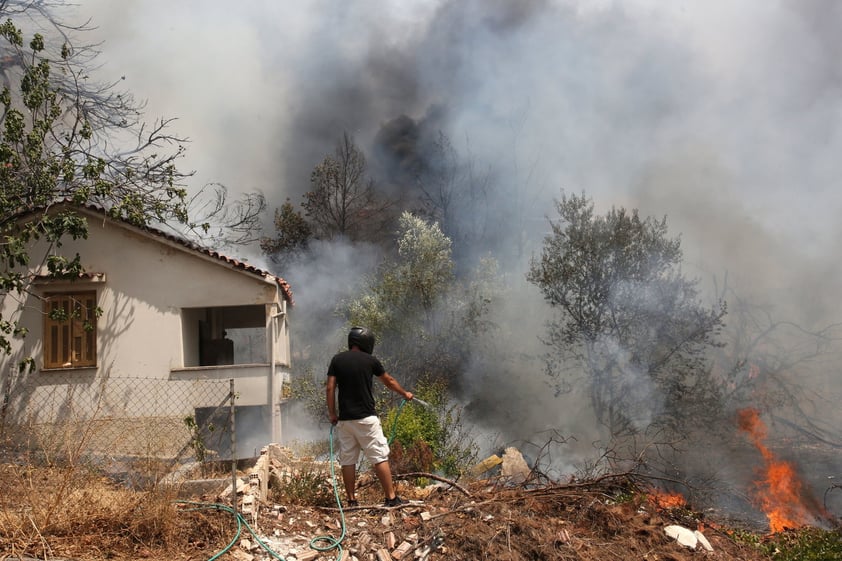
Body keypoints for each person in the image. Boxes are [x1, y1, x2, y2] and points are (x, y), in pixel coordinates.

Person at [326, 326, 413, 507]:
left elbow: (330, 387)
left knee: (348, 460)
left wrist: (333, 413)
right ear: (366, 343)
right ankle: (391, 498)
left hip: (345, 421)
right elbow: (388, 381)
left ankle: (351, 501)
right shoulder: (370, 360)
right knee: (379, 456)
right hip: (366, 419)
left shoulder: (337, 360)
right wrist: (405, 394)